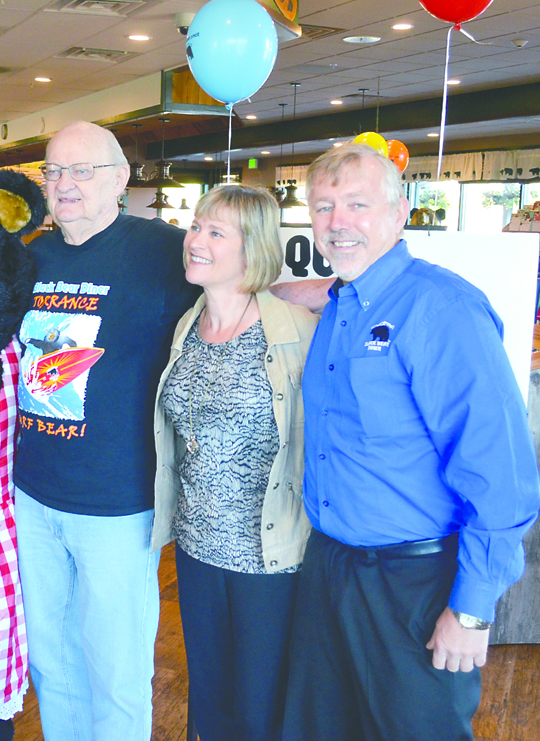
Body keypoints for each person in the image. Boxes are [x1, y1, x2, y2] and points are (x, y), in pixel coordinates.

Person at [281, 142, 540, 741]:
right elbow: (324, 289)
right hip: (329, 567)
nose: (338, 221)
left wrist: (471, 608)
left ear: (400, 215)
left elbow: (499, 473)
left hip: (415, 585)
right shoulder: (342, 300)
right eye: (323, 207)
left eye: (357, 204)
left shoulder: (443, 310)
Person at [12, 121, 198, 741]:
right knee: (52, 662)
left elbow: (244, 293)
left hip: (119, 507)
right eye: (54, 171)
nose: (64, 185)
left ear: (120, 180)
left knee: (116, 672)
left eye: (81, 171)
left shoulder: (164, 251)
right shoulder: (28, 257)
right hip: (31, 497)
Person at [151, 184, 317, 741]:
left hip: (268, 555)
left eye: (215, 232)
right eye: (197, 226)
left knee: (263, 703)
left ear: (254, 249)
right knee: (211, 696)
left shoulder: (295, 331)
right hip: (197, 549)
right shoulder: (188, 326)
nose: (195, 240)